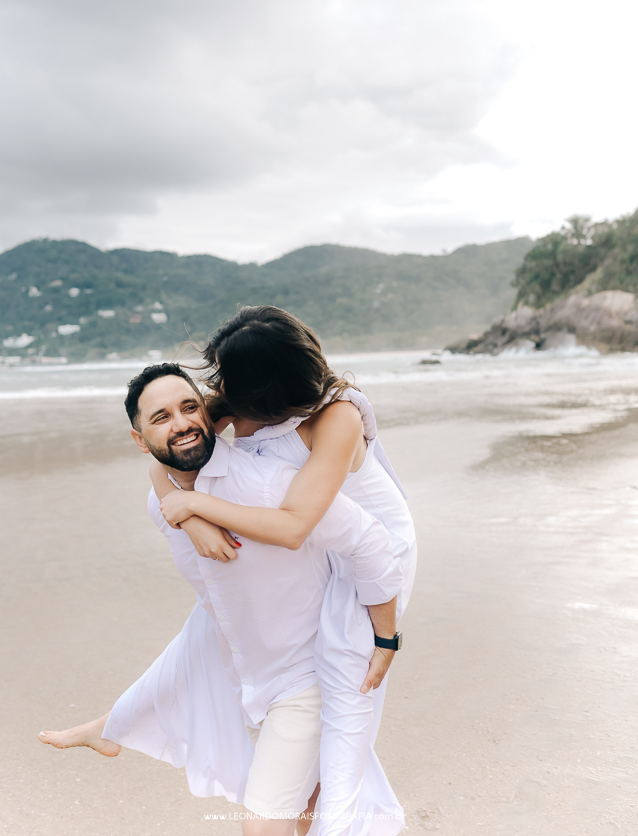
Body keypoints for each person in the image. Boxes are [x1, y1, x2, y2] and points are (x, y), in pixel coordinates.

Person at [39, 365, 403, 836]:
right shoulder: (162, 503)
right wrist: (188, 514)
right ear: (139, 439)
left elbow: (372, 543)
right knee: (306, 804)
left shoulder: (270, 484)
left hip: (305, 676)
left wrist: (386, 638)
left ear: (210, 417)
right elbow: (212, 602)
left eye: (190, 408)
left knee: (262, 822)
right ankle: (114, 725)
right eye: (162, 417)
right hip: (249, 677)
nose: (182, 423)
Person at [151, 307, 417, 834]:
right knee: (259, 664)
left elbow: (295, 525)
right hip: (317, 544)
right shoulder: (238, 398)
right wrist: (186, 518)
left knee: (343, 698)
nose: (216, 387)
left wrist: (386, 638)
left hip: (371, 552)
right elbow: (165, 450)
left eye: (224, 377)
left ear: (267, 392)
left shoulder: (336, 415)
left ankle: (346, 820)